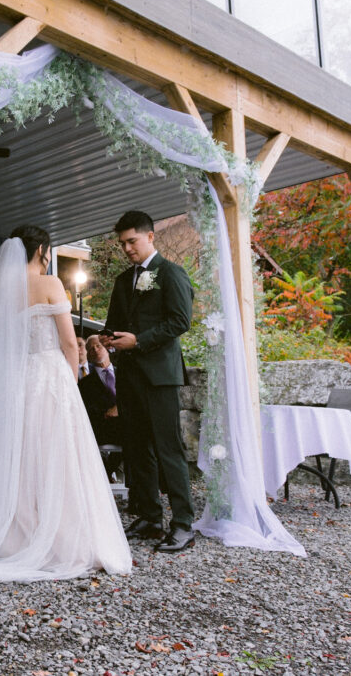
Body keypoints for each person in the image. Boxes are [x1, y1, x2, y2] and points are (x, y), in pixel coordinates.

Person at [0, 225, 131, 582]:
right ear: (42, 250)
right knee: (59, 455)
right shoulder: (50, 284)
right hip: (49, 376)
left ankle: (18, 537)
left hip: (17, 381)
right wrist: (72, 380)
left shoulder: (4, 291)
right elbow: (67, 341)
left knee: (22, 455)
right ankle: (63, 539)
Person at [101, 210, 195, 553]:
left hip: (159, 377)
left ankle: (183, 523)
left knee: (169, 449)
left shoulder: (171, 274)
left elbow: (179, 322)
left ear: (150, 237)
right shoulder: (123, 281)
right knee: (137, 449)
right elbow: (114, 323)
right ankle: (150, 518)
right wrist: (108, 340)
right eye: (122, 243)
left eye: (132, 241)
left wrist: (138, 341)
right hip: (128, 376)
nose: (127, 248)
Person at [78, 335, 124, 480]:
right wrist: (106, 413)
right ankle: (106, 472)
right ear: (88, 356)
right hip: (102, 428)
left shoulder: (124, 374)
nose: (95, 350)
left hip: (127, 422)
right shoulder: (85, 384)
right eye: (90, 349)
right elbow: (86, 410)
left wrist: (120, 408)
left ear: (108, 348)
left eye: (98, 346)